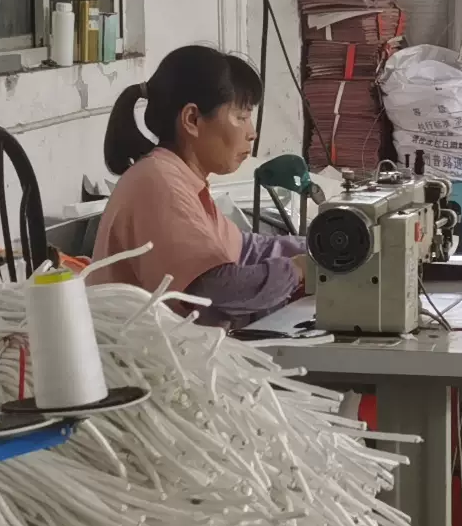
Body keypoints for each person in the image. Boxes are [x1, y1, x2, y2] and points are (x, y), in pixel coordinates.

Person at [96, 45, 306, 326]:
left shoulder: (180, 177)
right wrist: (297, 270)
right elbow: (215, 288)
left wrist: (317, 248)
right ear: (192, 119)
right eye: (241, 117)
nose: (252, 133)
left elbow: (245, 250)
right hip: (147, 351)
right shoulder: (158, 183)